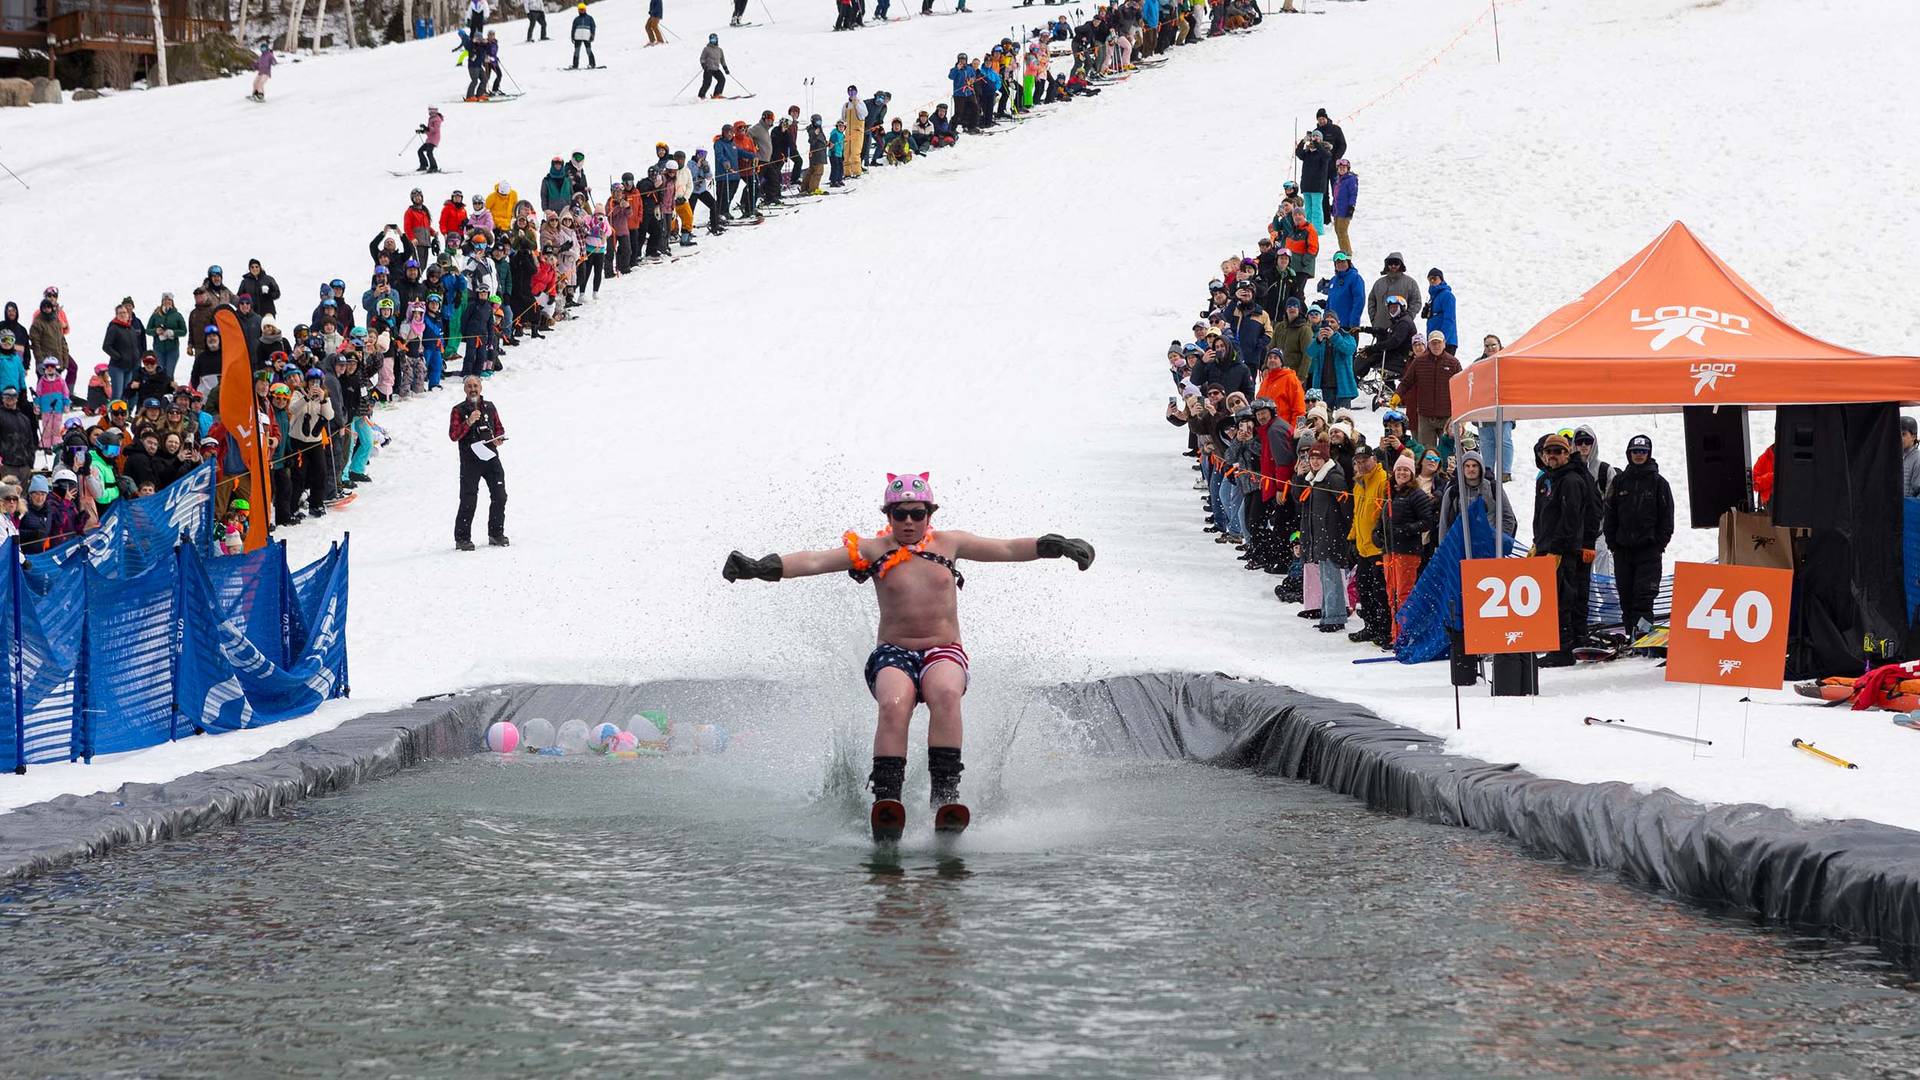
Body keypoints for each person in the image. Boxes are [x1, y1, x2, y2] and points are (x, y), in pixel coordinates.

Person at [720, 473, 1093, 836]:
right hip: (893, 654)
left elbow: (1008, 549)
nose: (909, 521)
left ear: (930, 514)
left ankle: (945, 797)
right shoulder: (871, 551)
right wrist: (760, 568)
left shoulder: (950, 543)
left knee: (945, 692)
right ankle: (887, 800)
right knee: (894, 702)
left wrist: (1054, 545)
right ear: (888, 517)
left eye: (918, 513)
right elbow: (815, 562)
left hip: (943, 650)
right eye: (900, 514)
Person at [1532, 433, 1597, 667]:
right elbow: (1540, 515)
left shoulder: (1571, 480)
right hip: (1546, 547)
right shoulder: (1545, 479)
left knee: (1564, 600)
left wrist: (1557, 549)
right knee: (1552, 600)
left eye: (1558, 452)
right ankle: (1563, 644)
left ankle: (1563, 649)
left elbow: (1571, 519)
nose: (1552, 456)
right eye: (1549, 452)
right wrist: (1536, 543)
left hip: (1564, 551)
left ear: (1566, 454)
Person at [1602, 434, 1674, 641]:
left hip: (1649, 552)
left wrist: (1659, 544)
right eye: (1635, 451)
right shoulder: (1619, 481)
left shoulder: (1660, 483)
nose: (1639, 455)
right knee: (1626, 597)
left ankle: (1643, 639)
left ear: (1648, 454)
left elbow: (1667, 518)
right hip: (1623, 551)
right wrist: (1613, 543)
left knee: (1644, 597)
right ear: (1629, 454)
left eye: (1642, 452)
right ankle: (1630, 636)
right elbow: (1609, 514)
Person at [1294, 441, 1351, 632]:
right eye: (1312, 458)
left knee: (1332, 577)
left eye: (1318, 458)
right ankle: (1328, 614)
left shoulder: (1333, 479)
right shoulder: (1313, 479)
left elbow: (1346, 509)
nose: (1315, 461)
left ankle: (1335, 616)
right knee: (1325, 577)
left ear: (1326, 459)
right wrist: (1299, 476)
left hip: (1332, 534)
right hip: (1319, 535)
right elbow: (1298, 498)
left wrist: (1346, 532)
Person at [450, 375, 508, 550]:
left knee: (500, 496)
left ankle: (496, 533)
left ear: (481, 387)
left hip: (490, 457)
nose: (473, 389)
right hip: (470, 460)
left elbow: (499, 428)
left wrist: (498, 439)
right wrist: (468, 421)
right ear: (464, 389)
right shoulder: (458, 410)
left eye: (476, 385)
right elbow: (454, 435)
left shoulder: (489, 407)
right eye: (469, 386)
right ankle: (462, 538)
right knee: (468, 499)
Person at [1397, 330, 1460, 450]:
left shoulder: (1453, 363)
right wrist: (1397, 395)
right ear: (1429, 345)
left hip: (1446, 416)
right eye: (1433, 343)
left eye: (1438, 343)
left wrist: (1461, 413)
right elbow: (1406, 382)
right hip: (1425, 416)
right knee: (1426, 452)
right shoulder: (1419, 362)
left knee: (1447, 451)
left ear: (1444, 344)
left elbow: (1461, 388)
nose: (1436, 346)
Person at [1437, 449, 1516, 539]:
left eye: (1474, 466)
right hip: (1460, 547)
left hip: (1489, 547)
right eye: (1467, 466)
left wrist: (1500, 541)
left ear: (1480, 467)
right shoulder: (1453, 492)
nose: (1471, 469)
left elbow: (1508, 518)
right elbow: (1444, 524)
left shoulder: (1493, 488)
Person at [1424, 267, 1457, 351]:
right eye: (1429, 279)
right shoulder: (1432, 297)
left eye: (1434, 278)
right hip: (1434, 341)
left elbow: (1449, 319)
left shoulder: (1447, 295)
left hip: (1445, 342)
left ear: (1441, 279)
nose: (1432, 281)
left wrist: (1443, 340)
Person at [698, 34, 729, 98]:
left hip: (716, 69)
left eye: (714, 39)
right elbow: (702, 58)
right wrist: (703, 65)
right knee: (707, 83)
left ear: (717, 40)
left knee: (722, 79)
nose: (713, 41)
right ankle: (701, 96)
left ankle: (717, 94)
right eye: (711, 40)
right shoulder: (706, 49)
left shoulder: (720, 50)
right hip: (708, 68)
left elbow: (722, 60)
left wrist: (725, 68)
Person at [416, 107, 444, 174]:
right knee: (420, 151)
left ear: (434, 111)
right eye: (429, 110)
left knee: (429, 152)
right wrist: (422, 131)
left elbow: (435, 130)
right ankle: (424, 165)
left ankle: (434, 167)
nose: (429, 112)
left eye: (431, 111)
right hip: (430, 139)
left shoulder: (437, 119)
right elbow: (430, 130)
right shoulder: (431, 119)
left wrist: (426, 128)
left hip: (434, 138)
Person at [569, 2, 597, 68]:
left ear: (585, 9)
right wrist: (572, 36)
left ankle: (592, 64)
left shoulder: (590, 18)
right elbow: (573, 28)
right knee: (576, 52)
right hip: (577, 37)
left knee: (589, 51)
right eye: (580, 10)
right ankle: (575, 65)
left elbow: (593, 27)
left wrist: (592, 35)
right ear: (578, 10)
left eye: (583, 9)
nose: (581, 11)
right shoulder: (576, 19)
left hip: (587, 37)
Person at [1904, 417, 1920, 498]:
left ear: (1913, 437)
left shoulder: (1918, 459)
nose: (1900, 438)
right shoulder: (1893, 456)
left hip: (1909, 508)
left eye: (1903, 434)